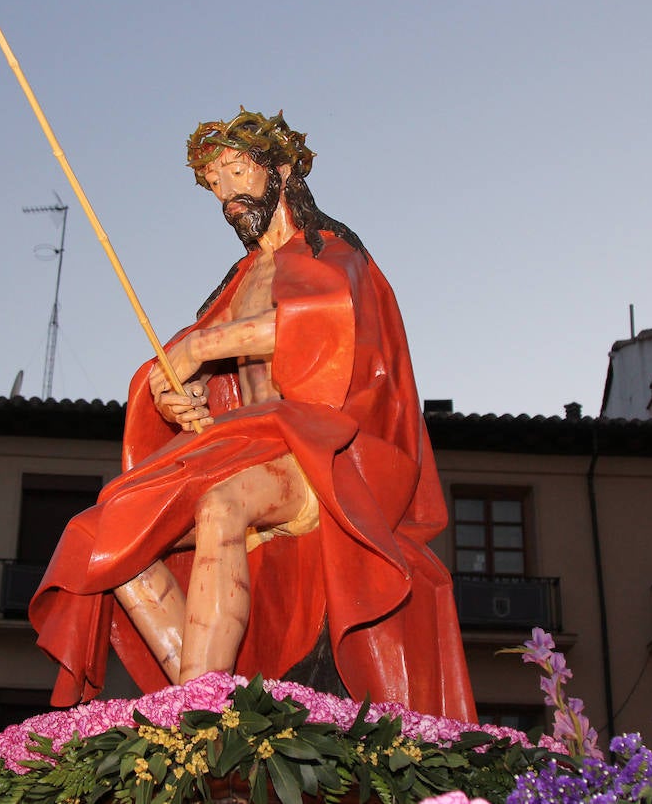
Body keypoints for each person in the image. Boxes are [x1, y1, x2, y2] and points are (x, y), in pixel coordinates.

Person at [30, 109, 476, 721]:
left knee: (223, 505)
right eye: (215, 185)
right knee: (103, 539)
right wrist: (169, 393)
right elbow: (185, 366)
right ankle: (215, 703)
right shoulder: (233, 284)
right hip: (243, 445)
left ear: (282, 170)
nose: (227, 197)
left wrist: (195, 349)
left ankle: (199, 717)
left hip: (325, 454)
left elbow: (324, 327)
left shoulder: (332, 252)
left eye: (237, 174)